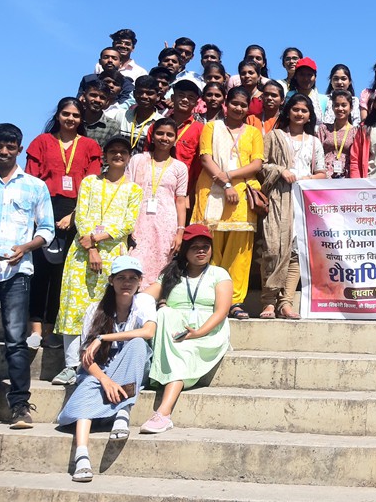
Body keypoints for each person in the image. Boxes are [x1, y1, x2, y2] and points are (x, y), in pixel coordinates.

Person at [0, 123, 54, 428]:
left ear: (19, 148)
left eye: (10, 146)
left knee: (16, 340)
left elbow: (47, 229)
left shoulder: (35, 186)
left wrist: (26, 247)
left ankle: (19, 405)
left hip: (17, 272)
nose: (4, 151)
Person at [55, 256, 157, 481]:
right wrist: (105, 380)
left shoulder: (143, 303)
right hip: (101, 368)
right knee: (87, 386)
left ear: (140, 281)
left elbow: (148, 332)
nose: (127, 283)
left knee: (138, 344)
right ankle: (82, 456)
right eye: (121, 278)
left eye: (132, 278)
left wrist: (103, 337)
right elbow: (86, 358)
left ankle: (123, 413)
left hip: (130, 365)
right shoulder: (96, 309)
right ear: (111, 280)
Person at [53, 135, 143, 386]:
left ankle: (100, 362)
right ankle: (71, 364)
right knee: (74, 306)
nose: (118, 155)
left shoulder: (134, 189)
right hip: (82, 253)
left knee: (106, 307)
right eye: (113, 151)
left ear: (129, 157)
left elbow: (128, 223)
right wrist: (91, 246)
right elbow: (80, 216)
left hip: (113, 254)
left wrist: (98, 237)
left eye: (123, 152)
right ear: (105, 155)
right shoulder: (90, 182)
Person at [139, 224, 233, 434]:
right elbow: (143, 298)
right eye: (195, 247)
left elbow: (221, 312)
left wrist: (198, 332)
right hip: (174, 332)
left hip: (207, 333)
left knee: (180, 354)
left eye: (205, 247)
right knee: (164, 314)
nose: (201, 251)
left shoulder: (219, 274)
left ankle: (163, 413)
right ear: (185, 251)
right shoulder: (172, 274)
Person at [25, 99, 103, 348]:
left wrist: (74, 215)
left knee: (61, 273)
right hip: (44, 208)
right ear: (58, 115)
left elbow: (91, 186)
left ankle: (51, 329)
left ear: (82, 119)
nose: (71, 119)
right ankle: (35, 329)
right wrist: (40, 215)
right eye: (66, 114)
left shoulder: (90, 145)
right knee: (40, 271)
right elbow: (31, 181)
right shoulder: (42, 142)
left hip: (76, 212)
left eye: (76, 115)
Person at [190, 88, 264, 317]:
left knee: (240, 253)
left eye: (243, 105)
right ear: (226, 104)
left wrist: (229, 177)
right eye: (234, 103)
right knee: (211, 248)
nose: (238, 108)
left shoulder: (253, 132)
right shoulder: (212, 127)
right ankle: (209, 298)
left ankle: (234, 301)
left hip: (241, 196)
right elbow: (205, 158)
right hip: (212, 191)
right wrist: (225, 184)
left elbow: (257, 164)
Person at [258, 94, 326, 319]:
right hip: (279, 197)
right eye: (295, 109)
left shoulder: (314, 142)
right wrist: (280, 171)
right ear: (287, 111)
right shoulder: (274, 136)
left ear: (309, 115)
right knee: (273, 248)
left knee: (297, 251)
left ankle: (286, 302)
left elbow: (322, 173)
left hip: (303, 200)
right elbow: (261, 165)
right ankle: (269, 301)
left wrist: (306, 178)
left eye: (304, 111)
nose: (299, 113)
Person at [125, 118, 188, 288]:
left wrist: (180, 232)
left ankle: (155, 299)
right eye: (160, 133)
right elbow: (126, 191)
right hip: (138, 221)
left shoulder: (180, 167)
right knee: (134, 262)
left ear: (175, 139)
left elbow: (180, 201)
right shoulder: (138, 160)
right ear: (152, 136)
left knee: (161, 265)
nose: (164, 138)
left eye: (169, 135)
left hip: (165, 225)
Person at [109, 75, 162, 154]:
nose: (144, 96)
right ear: (134, 94)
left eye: (149, 93)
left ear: (158, 96)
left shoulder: (161, 122)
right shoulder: (121, 116)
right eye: (140, 92)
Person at [318, 89, 357, 178]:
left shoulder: (355, 131)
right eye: (336, 105)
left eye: (344, 105)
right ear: (332, 107)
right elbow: (317, 154)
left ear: (351, 108)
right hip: (325, 177)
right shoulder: (324, 129)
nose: (340, 108)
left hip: (347, 177)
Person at [79, 79, 121, 148]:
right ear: (84, 96)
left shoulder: (112, 126)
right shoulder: (75, 120)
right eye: (93, 95)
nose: (97, 100)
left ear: (107, 101)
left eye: (102, 97)